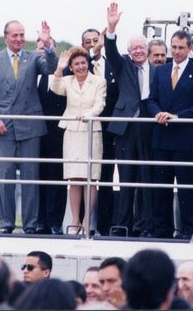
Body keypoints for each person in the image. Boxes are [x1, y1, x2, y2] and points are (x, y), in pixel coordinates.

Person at [0, 19, 57, 234]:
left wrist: (48, 44)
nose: (19, 39)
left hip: (30, 123)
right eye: (14, 35)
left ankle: (30, 224)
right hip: (4, 124)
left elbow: (52, 68)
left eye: (22, 35)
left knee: (30, 175)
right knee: (4, 175)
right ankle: (6, 223)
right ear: (6, 37)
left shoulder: (33, 57)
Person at [146, 30, 193, 239]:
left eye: (181, 47)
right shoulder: (161, 71)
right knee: (160, 189)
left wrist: (176, 116)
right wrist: (157, 113)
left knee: (187, 190)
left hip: (186, 140)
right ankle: (161, 230)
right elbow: (151, 99)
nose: (176, 51)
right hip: (162, 138)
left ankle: (188, 231)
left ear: (190, 49)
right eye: (173, 47)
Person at [104, 2, 155, 237]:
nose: (138, 51)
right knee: (125, 178)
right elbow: (111, 52)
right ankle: (122, 225)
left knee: (146, 179)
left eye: (141, 47)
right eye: (134, 48)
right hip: (125, 128)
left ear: (147, 49)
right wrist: (111, 28)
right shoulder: (122, 65)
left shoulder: (158, 70)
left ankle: (142, 226)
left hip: (149, 126)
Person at [51, 46, 106, 234]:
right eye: (77, 64)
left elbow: (100, 104)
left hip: (91, 131)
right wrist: (60, 68)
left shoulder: (99, 81)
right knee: (74, 178)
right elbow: (55, 88)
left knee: (90, 178)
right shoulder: (67, 80)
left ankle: (86, 220)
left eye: (83, 63)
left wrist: (87, 115)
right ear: (72, 67)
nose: (81, 66)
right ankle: (74, 221)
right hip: (72, 131)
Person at [81, 27, 119, 236]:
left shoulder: (113, 63)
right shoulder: (79, 64)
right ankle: (82, 224)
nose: (93, 44)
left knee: (105, 177)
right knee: (83, 176)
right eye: (88, 42)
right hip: (83, 129)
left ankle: (104, 226)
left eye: (96, 40)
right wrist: (87, 54)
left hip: (108, 129)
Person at [36, 37, 67, 235]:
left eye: (46, 48)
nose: (42, 52)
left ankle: (55, 223)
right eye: (39, 48)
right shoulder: (31, 73)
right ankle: (39, 222)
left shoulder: (64, 73)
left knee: (57, 179)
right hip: (36, 132)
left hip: (58, 133)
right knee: (37, 178)